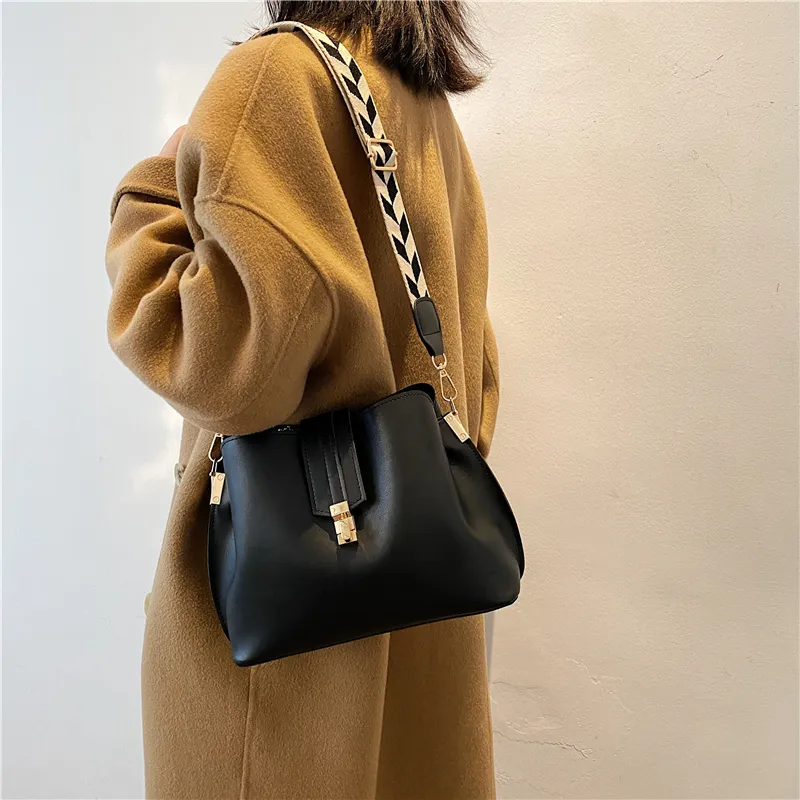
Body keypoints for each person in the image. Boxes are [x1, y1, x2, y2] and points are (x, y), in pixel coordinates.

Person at [105, 1, 501, 797]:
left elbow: (222, 370)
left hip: (289, 665)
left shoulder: (276, 78)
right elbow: (477, 383)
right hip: (420, 620)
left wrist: (151, 194)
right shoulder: (424, 109)